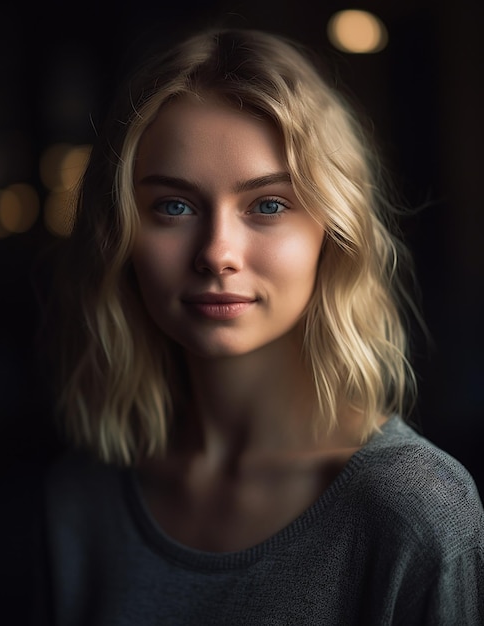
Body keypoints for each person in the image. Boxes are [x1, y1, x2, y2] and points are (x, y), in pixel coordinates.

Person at [38, 27, 484, 625]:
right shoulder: (84, 497)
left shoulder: (412, 508)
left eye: (268, 205)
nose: (217, 252)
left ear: (333, 232)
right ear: (118, 235)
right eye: (174, 205)